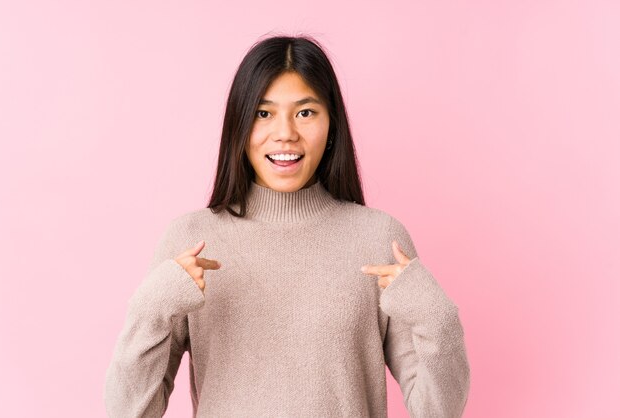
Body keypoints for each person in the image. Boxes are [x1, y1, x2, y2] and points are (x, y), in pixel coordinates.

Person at [104, 34, 470, 418]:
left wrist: (437, 316)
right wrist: (150, 309)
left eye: (305, 112)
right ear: (239, 126)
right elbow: (129, 411)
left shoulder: (379, 240)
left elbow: (438, 410)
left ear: (332, 125)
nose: (285, 133)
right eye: (264, 113)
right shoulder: (191, 242)